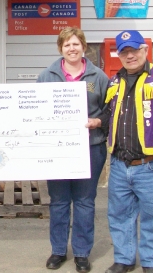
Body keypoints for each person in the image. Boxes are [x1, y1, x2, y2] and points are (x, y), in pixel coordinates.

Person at [104, 30, 153, 273]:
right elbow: (108, 115)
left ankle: (150, 262)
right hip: (119, 164)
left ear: (145, 50)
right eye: (124, 52)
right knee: (120, 216)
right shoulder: (114, 81)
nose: (130, 56)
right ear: (119, 55)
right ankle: (124, 259)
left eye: (134, 50)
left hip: (149, 164)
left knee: (152, 217)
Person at [37, 27, 109, 272]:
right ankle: (58, 251)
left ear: (84, 47)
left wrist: (98, 122)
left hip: (91, 147)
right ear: (60, 49)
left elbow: (110, 110)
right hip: (57, 149)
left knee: (84, 201)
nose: (72, 48)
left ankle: (81, 253)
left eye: (76, 44)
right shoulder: (47, 76)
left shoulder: (98, 77)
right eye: (67, 45)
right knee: (58, 201)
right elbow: (35, 109)